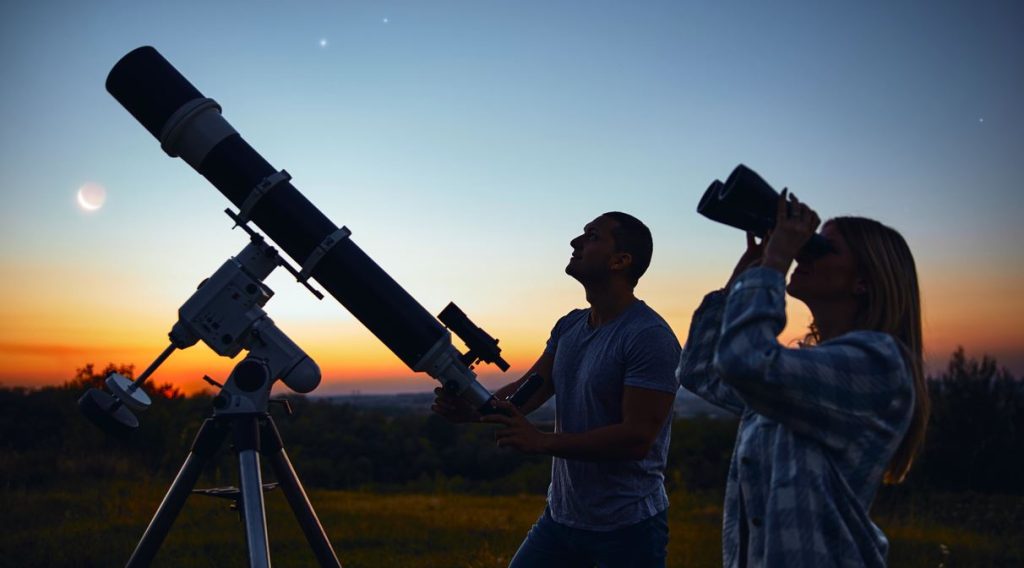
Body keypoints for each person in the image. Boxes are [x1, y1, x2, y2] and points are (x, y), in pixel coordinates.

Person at [677, 190, 930, 567]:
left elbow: (745, 361)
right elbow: (700, 371)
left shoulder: (880, 364)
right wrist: (744, 277)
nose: (803, 253)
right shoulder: (805, 374)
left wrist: (775, 264)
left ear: (863, 281)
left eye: (823, 247)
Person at [432, 212, 681, 568]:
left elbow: (636, 438)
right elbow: (530, 391)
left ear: (620, 261)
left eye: (591, 236)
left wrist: (542, 441)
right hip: (562, 520)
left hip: (627, 529)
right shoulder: (570, 326)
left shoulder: (649, 336)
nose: (575, 243)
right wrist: (473, 410)